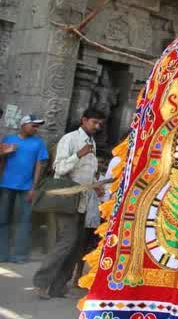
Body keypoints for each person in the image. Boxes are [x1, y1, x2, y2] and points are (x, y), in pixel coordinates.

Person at [33, 108, 105, 299]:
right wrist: (79, 154)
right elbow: (59, 167)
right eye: (94, 122)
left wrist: (96, 185)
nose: (97, 127)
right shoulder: (70, 139)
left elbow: (87, 173)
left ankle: (58, 287)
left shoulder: (92, 142)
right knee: (66, 243)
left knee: (76, 246)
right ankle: (41, 283)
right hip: (66, 199)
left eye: (100, 124)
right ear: (84, 120)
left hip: (84, 201)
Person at [0, 114, 47, 263]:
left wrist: (34, 187)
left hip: (26, 187)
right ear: (23, 125)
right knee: (2, 220)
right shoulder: (8, 139)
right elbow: (1, 161)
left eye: (37, 126)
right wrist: (3, 153)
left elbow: (40, 165)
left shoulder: (39, 143)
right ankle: (2, 254)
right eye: (33, 125)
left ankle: (19, 256)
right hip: (5, 185)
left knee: (24, 221)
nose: (36, 129)